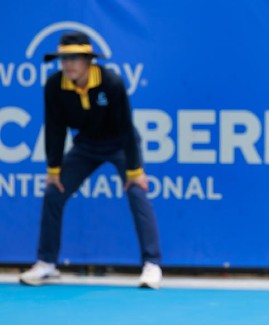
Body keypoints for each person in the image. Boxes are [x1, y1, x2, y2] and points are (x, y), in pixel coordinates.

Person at [19, 31, 163, 289]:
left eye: (75, 58)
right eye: (64, 58)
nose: (69, 64)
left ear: (88, 61)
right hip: (86, 146)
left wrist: (135, 170)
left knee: (137, 192)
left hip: (119, 143)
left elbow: (127, 128)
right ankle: (47, 263)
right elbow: (54, 130)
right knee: (53, 192)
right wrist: (53, 169)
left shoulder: (111, 83)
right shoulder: (54, 86)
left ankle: (152, 264)